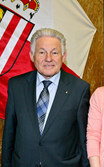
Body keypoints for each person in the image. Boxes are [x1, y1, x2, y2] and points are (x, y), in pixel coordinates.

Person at [1, 28, 90, 167]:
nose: (48, 58)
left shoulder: (79, 89)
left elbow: (84, 140)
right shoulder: (16, 85)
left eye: (54, 52)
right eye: (42, 52)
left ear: (63, 56)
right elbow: (8, 135)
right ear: (32, 55)